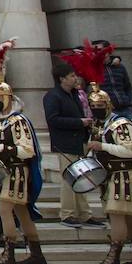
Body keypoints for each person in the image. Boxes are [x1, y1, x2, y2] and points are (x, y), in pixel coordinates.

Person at [0, 37, 46, 264]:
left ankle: (9, 252)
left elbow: (27, 150)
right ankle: (36, 254)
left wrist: (0, 148)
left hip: (17, 172)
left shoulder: (18, 121)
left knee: (5, 209)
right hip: (3, 172)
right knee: (21, 212)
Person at [88, 77, 132, 264]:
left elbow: (131, 150)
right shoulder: (99, 126)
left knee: (116, 214)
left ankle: (114, 255)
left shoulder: (120, 124)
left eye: (100, 104)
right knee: (128, 218)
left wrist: (102, 146)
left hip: (124, 175)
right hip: (109, 176)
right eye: (92, 105)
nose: (96, 108)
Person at [45, 60, 97, 228]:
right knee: (69, 179)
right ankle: (67, 214)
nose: (75, 78)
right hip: (64, 143)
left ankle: (84, 213)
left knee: (82, 177)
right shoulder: (53, 96)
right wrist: (79, 122)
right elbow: (53, 120)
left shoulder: (75, 94)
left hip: (79, 141)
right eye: (71, 76)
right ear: (62, 79)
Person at [94, 40, 132, 115]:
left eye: (100, 50)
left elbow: (127, 86)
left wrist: (130, 102)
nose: (98, 53)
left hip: (126, 109)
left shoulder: (120, 67)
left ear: (108, 51)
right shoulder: (94, 69)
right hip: (109, 111)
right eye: (95, 51)